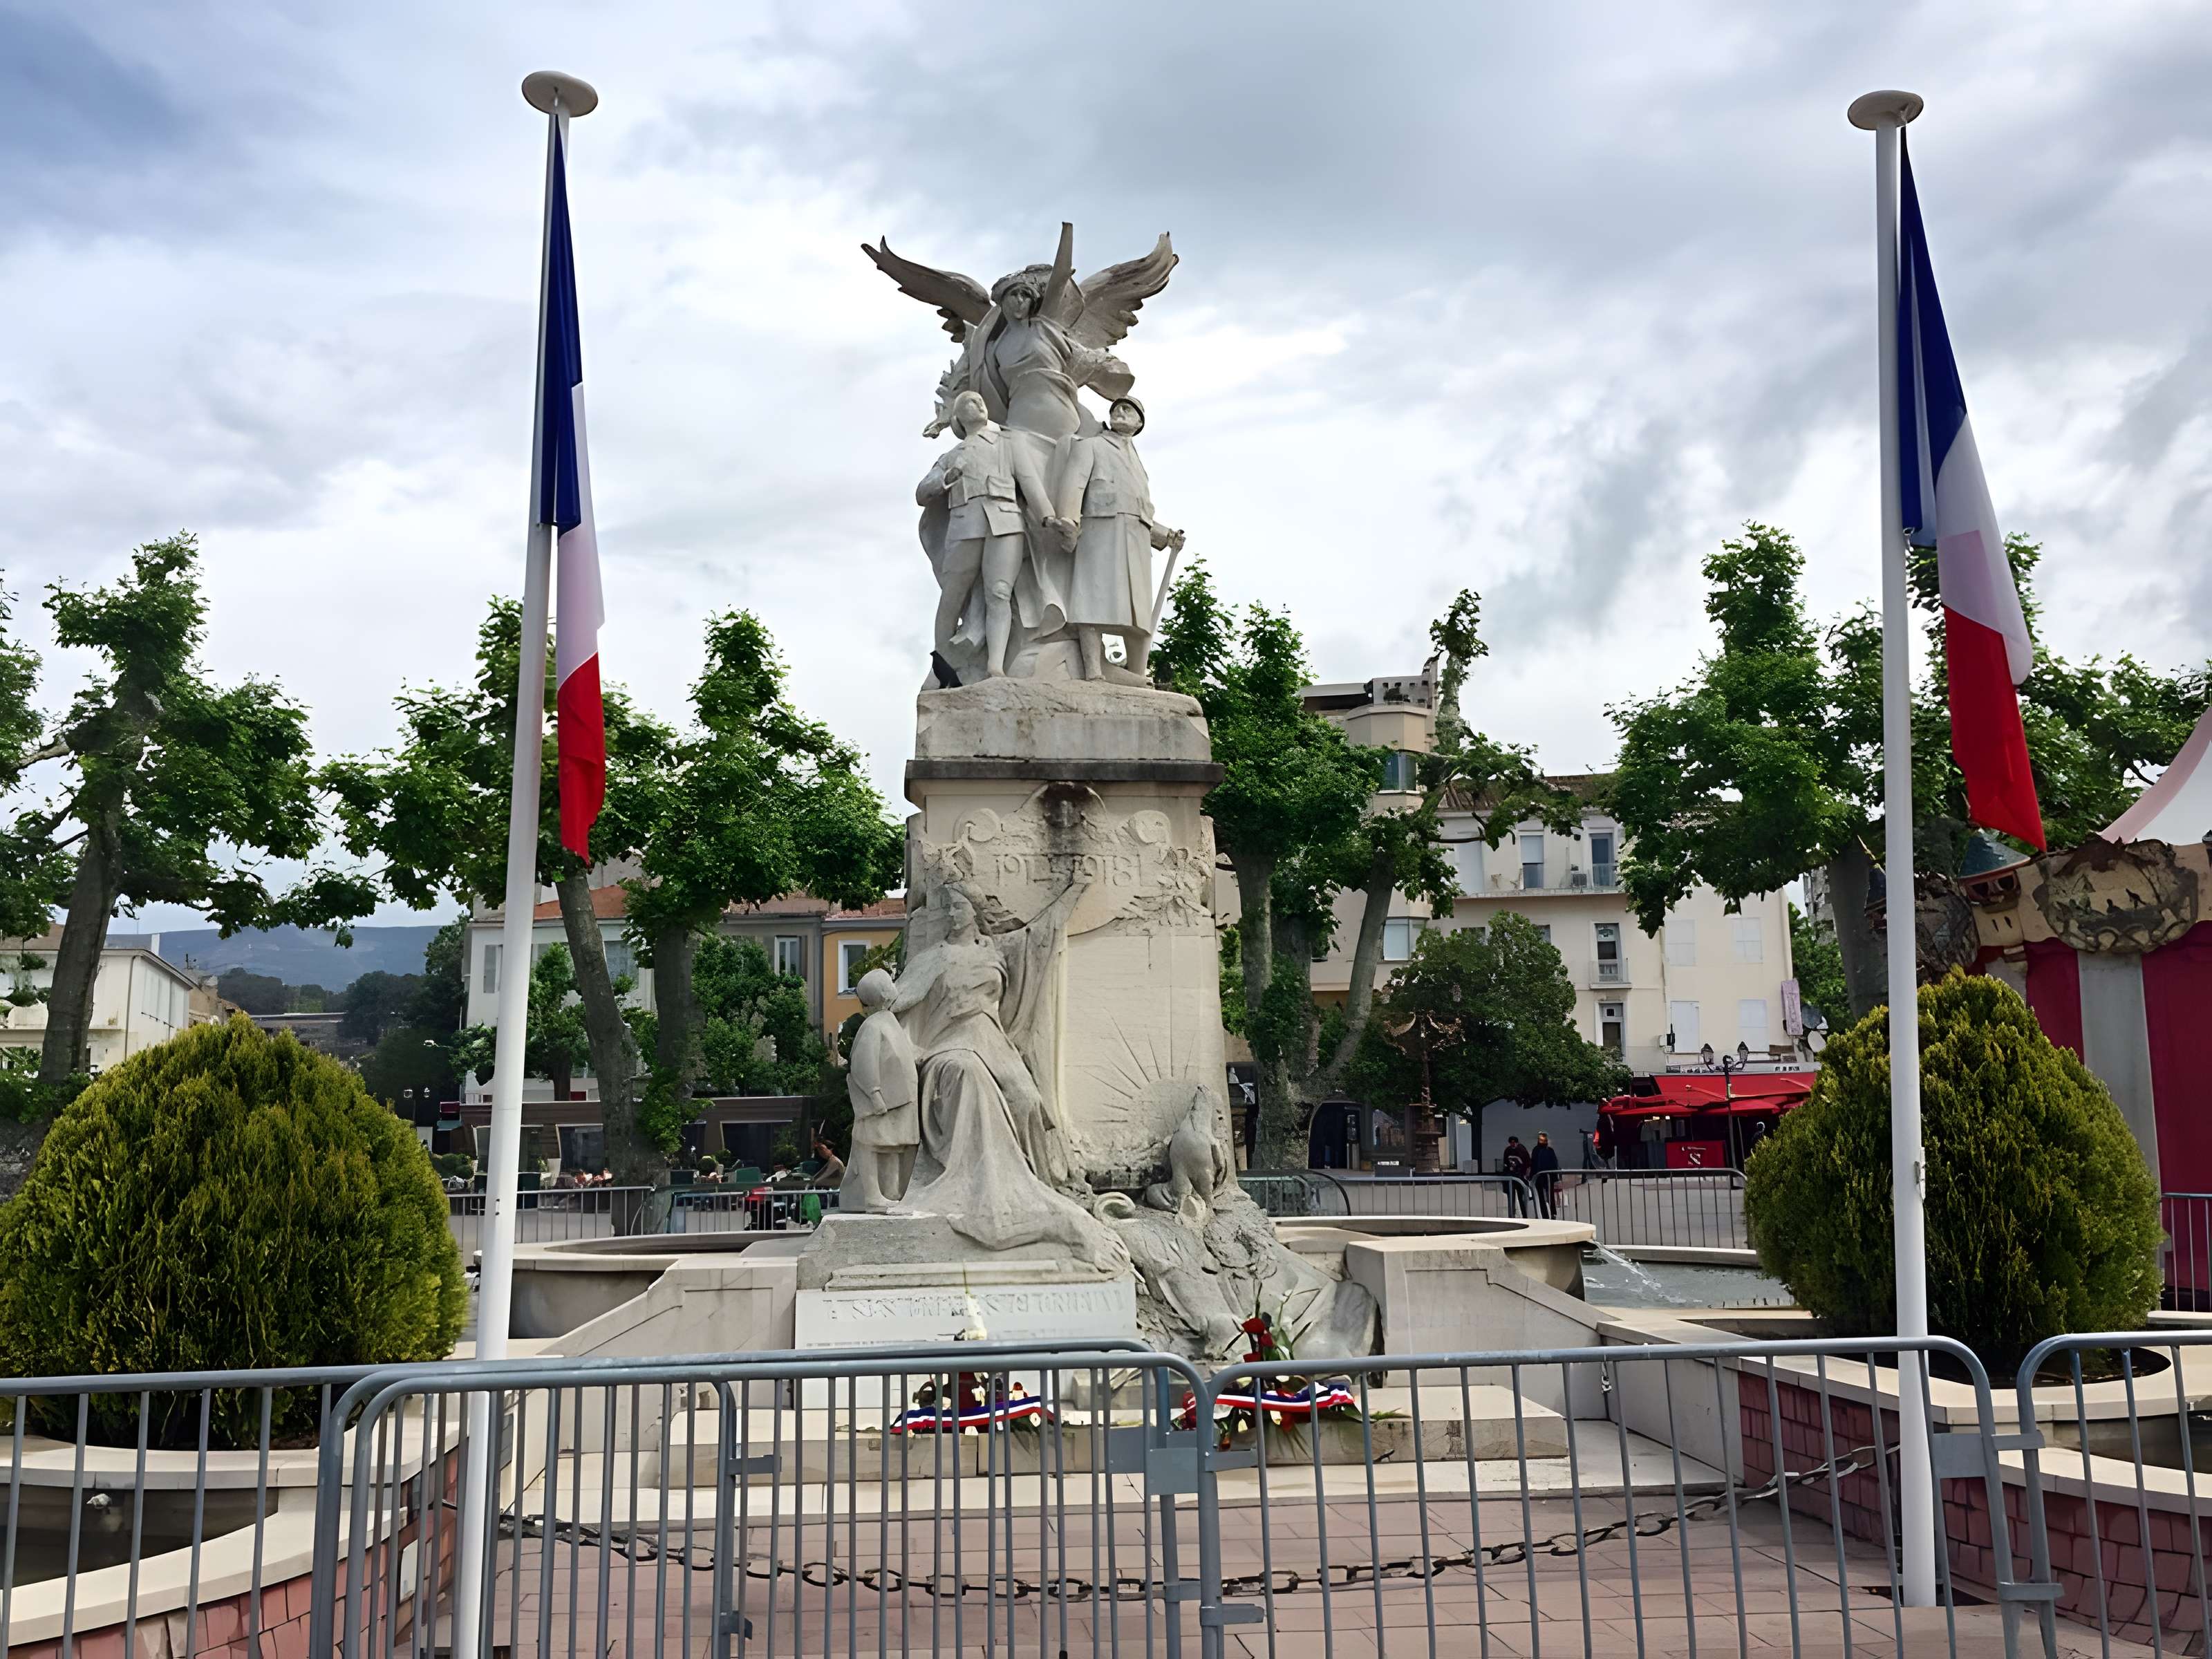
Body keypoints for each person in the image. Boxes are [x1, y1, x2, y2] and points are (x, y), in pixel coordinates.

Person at [915, 389, 1070, 682]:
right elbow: (922, 492)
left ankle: (995, 667)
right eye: (971, 402)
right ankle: (942, 662)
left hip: (1006, 523)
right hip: (964, 526)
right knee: (953, 593)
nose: (979, 404)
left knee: (999, 593)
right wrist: (945, 479)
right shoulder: (950, 456)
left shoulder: (1009, 443)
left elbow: (1029, 483)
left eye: (980, 400)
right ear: (959, 417)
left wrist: (1048, 517)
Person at [1056, 395, 1184, 682]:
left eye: (1129, 409)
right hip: (1099, 532)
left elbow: (1138, 509)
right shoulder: (1091, 446)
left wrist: (1165, 536)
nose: (1120, 411)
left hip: (1134, 542)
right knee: (1092, 600)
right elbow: (1074, 485)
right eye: (1117, 408)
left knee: (1137, 614)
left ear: (1139, 423)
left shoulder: (1138, 464)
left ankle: (1137, 675)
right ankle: (1093, 672)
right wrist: (1069, 522)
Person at [1530, 1132, 1562, 1219]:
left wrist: (1555, 1177)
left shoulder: (1549, 1151)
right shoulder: (1536, 1150)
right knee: (1541, 1197)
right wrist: (1532, 1176)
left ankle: (1552, 1213)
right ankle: (1544, 1214)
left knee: (1550, 1195)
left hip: (1548, 1177)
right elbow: (1533, 1163)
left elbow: (1554, 1164)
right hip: (1539, 1176)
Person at [1501, 1135, 1533, 1216]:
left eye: (1514, 1143)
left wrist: (1526, 1175)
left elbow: (1528, 1164)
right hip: (1512, 1177)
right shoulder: (1508, 1151)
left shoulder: (1522, 1150)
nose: (1513, 1144)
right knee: (1512, 1198)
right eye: (1511, 1143)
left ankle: (1524, 1215)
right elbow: (1506, 1165)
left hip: (1520, 1177)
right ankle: (1513, 1214)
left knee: (1521, 1198)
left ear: (1517, 1143)